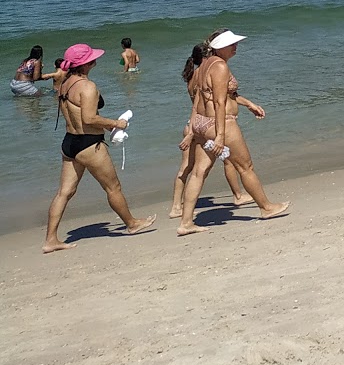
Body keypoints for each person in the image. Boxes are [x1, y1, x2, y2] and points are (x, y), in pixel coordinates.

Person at [43, 44, 156, 252]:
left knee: (64, 192)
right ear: (87, 63)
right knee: (113, 188)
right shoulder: (88, 87)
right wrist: (116, 123)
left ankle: (50, 240)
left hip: (69, 142)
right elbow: (89, 118)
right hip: (88, 144)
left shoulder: (64, 83)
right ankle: (131, 224)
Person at [177, 30, 288, 235]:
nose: (235, 47)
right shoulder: (219, 66)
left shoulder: (204, 65)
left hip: (202, 123)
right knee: (246, 166)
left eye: (236, 43)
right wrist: (220, 135)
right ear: (219, 47)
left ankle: (185, 223)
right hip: (221, 124)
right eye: (232, 44)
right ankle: (266, 207)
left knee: (199, 172)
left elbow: (200, 100)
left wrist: (194, 128)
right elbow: (219, 103)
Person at [171, 44, 246, 216]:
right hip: (205, 124)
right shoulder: (205, 73)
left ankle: (176, 206)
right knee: (226, 162)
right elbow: (218, 100)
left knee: (188, 167)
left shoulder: (192, 76)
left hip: (193, 124)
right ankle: (238, 195)